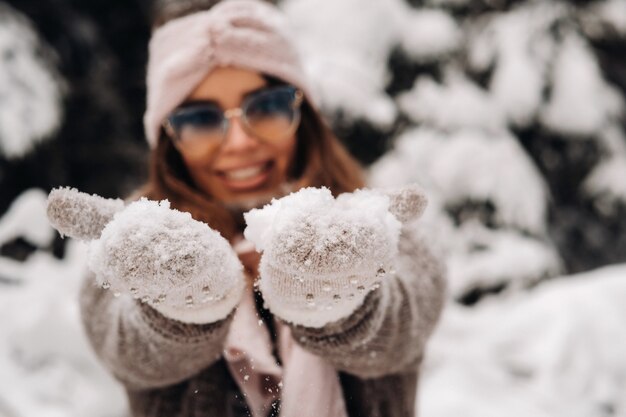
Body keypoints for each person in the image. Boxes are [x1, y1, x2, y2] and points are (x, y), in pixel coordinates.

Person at [46, 1, 446, 416]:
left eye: (267, 106)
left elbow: (401, 326)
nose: (239, 143)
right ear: (168, 138)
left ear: (302, 112)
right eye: (199, 118)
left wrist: (340, 301)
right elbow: (128, 349)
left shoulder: (378, 225)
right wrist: (179, 305)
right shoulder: (131, 242)